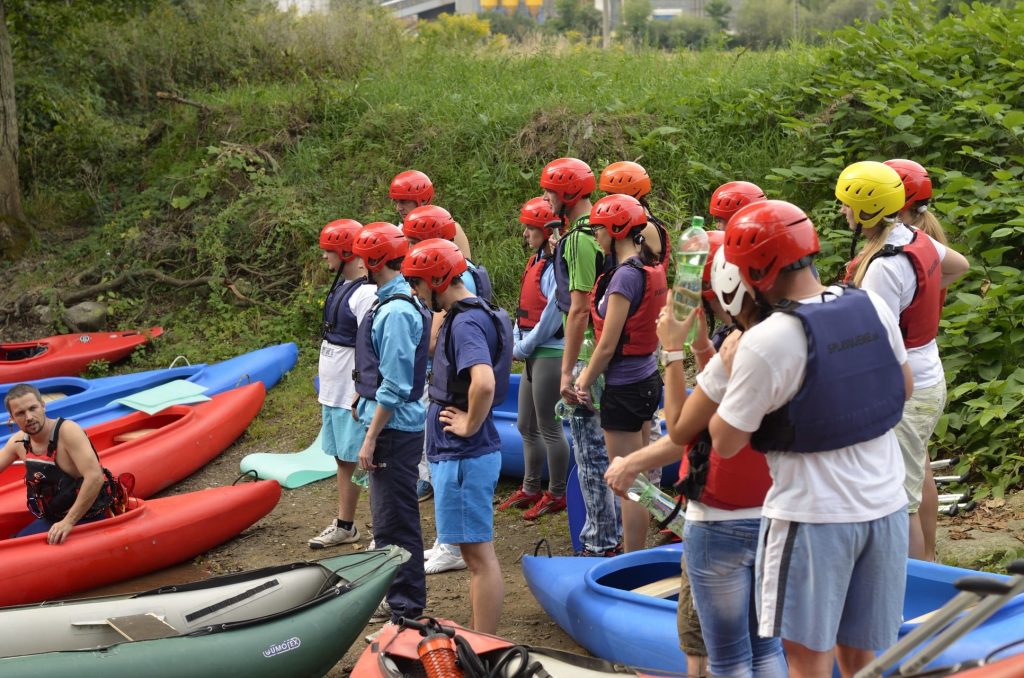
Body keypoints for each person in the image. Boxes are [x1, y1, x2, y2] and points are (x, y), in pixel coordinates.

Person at [709, 200, 913, 677]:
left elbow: (725, 441)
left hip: (812, 518)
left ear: (757, 270)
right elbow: (902, 388)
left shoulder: (767, 339)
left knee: (806, 663)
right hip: (885, 508)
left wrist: (727, 364)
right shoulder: (871, 304)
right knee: (864, 661)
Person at [606, 246, 785, 678]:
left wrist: (671, 353)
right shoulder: (783, 335)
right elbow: (721, 390)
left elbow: (681, 428)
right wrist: (703, 344)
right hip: (773, 510)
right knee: (765, 647)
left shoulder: (744, 344)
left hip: (721, 519)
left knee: (724, 657)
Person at [838, 160, 969, 562]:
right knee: (915, 475)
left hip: (904, 391)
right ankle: (926, 563)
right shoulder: (914, 236)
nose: (842, 211)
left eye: (846, 205)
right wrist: (920, 295)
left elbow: (873, 343)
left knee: (901, 501)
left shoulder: (882, 267)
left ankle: (910, 584)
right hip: (928, 376)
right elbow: (959, 266)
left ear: (867, 211)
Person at [402, 238, 512, 634]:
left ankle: (482, 644)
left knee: (478, 559)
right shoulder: (471, 311)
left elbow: (482, 383)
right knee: (474, 555)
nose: (414, 291)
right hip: (462, 455)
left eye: (417, 283)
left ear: (437, 279)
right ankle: (480, 637)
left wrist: (468, 423)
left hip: (464, 454)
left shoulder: (464, 321)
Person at [401, 203, 492, 573]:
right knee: (438, 467)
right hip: (446, 391)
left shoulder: (458, 297)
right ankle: (447, 540)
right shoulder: (453, 272)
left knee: (450, 473)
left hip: (455, 400)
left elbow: (440, 343)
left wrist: (470, 422)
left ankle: (451, 545)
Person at [575, 194, 666, 553]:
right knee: (639, 478)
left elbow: (608, 345)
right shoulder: (648, 265)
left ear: (615, 231)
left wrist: (582, 381)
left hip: (626, 388)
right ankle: (638, 552)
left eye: (599, 229)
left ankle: (632, 560)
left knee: (628, 482)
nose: (596, 236)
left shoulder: (624, 278)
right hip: (647, 380)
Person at [351, 222, 431, 627]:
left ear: (373, 262)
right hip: (390, 425)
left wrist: (370, 437)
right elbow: (381, 372)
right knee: (387, 522)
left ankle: (407, 609)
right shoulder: (391, 300)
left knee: (396, 522)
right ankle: (399, 599)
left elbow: (397, 384)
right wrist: (359, 396)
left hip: (395, 431)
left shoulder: (397, 311)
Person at [542, 156, 621, 557]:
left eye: (550, 191)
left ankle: (599, 543)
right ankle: (619, 532)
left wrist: (567, 373)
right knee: (619, 448)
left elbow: (576, 310)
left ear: (568, 194)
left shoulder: (577, 240)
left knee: (591, 453)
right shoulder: (612, 228)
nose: (545, 197)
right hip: (620, 355)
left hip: (590, 355)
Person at [497, 197, 570, 520]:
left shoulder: (556, 265)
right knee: (525, 423)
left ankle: (557, 493)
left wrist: (524, 347)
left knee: (549, 427)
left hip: (550, 352)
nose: (525, 234)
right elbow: (523, 309)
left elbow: (553, 314)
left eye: (530, 228)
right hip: (530, 350)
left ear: (546, 230)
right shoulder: (536, 260)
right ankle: (530, 487)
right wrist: (516, 339)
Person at [308, 219, 378, 549]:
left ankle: (382, 530)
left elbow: (371, 345)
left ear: (346, 251)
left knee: (368, 461)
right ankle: (346, 524)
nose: (324, 258)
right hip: (333, 391)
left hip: (351, 391)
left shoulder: (365, 292)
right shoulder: (343, 284)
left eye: (328, 251)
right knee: (342, 457)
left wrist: (360, 391)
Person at [1, 384, 125, 543]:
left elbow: (95, 477)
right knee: (16, 542)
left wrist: (68, 522)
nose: (29, 417)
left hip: (88, 515)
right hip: (54, 517)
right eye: (20, 413)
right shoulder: (18, 442)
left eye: (33, 408)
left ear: (43, 406)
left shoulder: (68, 431)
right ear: (12, 418)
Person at [389, 169, 473, 259]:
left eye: (403, 201)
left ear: (424, 200)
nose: (398, 208)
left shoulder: (449, 228)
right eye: (396, 202)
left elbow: (465, 268)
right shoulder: (400, 232)